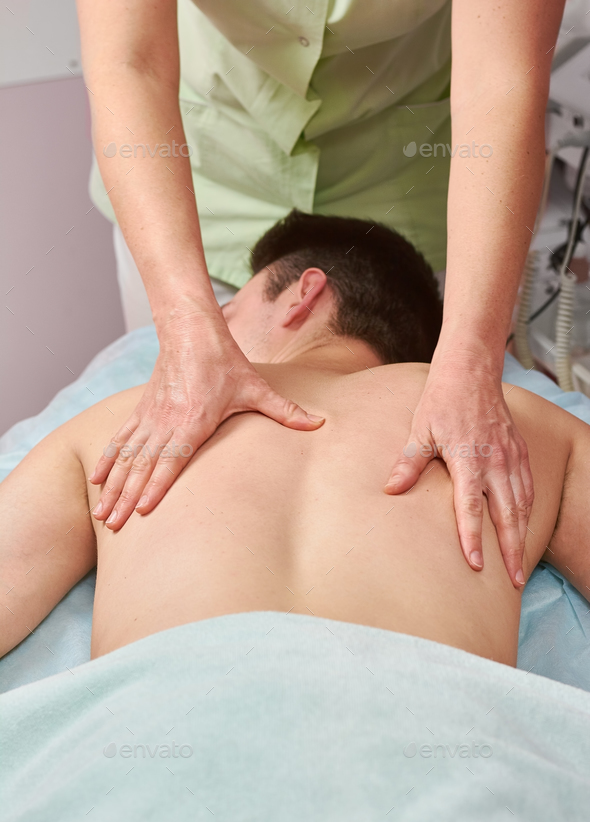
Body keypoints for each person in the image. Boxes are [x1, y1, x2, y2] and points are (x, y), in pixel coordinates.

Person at [76, 0, 568, 590]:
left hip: (408, 180)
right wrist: (187, 323)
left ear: (306, 296)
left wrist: (471, 356)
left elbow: (501, 81)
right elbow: (131, 62)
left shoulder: (95, 434)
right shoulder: (549, 437)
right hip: (207, 179)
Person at [2, 211, 587, 666]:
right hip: (445, 768)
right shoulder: (518, 428)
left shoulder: (119, 427)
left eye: (227, 311)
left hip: (155, 755)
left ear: (302, 294)